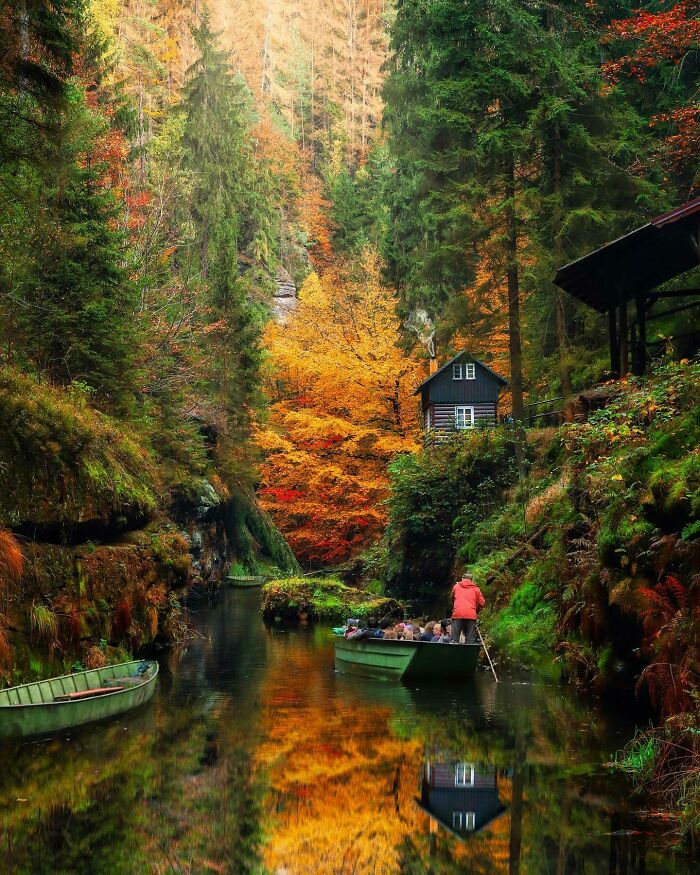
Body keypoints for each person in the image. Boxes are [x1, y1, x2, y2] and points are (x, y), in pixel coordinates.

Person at [451, 573, 485, 643]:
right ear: (472, 580)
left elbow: (453, 598)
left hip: (458, 613)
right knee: (470, 638)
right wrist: (476, 610)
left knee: (454, 639)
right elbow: (482, 603)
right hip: (471, 614)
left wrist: (455, 607)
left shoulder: (456, 587)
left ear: (462, 579)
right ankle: (468, 651)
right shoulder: (476, 589)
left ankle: (453, 651)